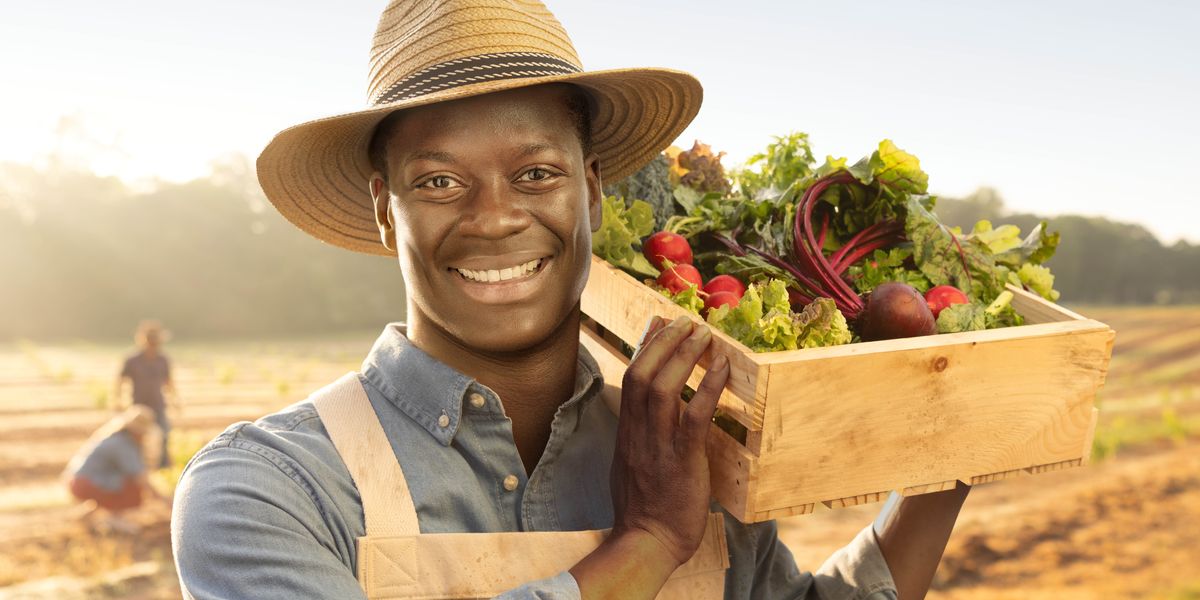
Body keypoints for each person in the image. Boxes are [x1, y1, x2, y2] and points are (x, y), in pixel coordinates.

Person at [172, 1, 970, 598]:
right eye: (440, 181)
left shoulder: (676, 440)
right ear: (388, 210)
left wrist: (949, 460)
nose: (494, 217)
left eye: (537, 174)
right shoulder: (266, 488)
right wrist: (650, 542)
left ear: (590, 193)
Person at [64, 404, 170, 533]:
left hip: (79, 481)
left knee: (119, 482)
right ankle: (114, 519)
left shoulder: (117, 438)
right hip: (84, 483)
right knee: (133, 487)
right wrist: (167, 502)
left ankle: (87, 516)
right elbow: (141, 479)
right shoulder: (123, 445)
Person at [115, 320, 176, 468]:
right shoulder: (132, 360)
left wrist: (175, 399)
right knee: (133, 437)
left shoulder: (163, 360)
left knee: (165, 434)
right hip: (138, 405)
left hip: (157, 403)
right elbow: (121, 380)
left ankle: (163, 464)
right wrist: (117, 399)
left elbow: (168, 382)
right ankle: (134, 465)